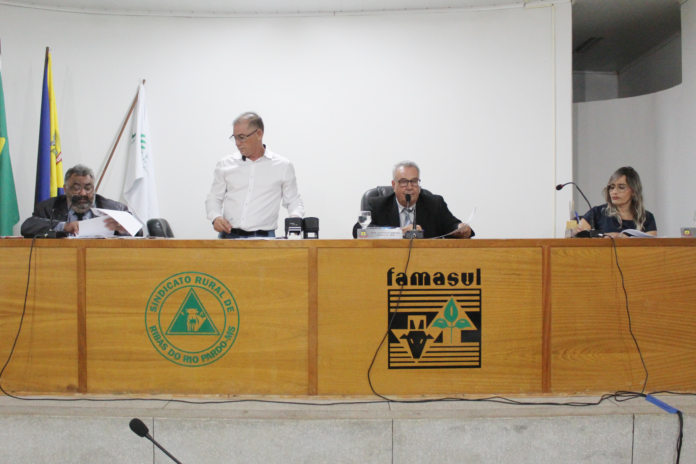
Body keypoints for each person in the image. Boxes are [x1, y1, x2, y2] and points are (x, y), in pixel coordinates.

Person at [205, 112, 304, 238]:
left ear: (259, 134)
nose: (237, 143)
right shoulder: (225, 164)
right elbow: (214, 198)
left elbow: (294, 200)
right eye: (235, 137)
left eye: (242, 137)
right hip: (229, 236)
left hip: (264, 239)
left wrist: (295, 218)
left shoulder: (282, 166)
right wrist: (216, 217)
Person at [352, 161, 474, 239]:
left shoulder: (435, 204)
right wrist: (399, 232)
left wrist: (460, 227)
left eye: (414, 181)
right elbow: (359, 231)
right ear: (394, 185)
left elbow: (451, 225)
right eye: (404, 182)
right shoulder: (378, 205)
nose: (410, 187)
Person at [21, 164, 133, 238]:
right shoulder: (49, 208)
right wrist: (63, 226)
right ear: (65, 189)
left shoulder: (116, 209)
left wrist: (124, 230)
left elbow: (139, 232)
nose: (83, 193)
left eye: (88, 188)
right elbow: (27, 226)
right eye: (76, 188)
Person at [576, 166, 657, 237]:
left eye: (621, 187)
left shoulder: (647, 217)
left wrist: (625, 239)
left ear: (634, 191)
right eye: (612, 187)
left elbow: (653, 245)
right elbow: (578, 239)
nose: (614, 192)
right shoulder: (596, 213)